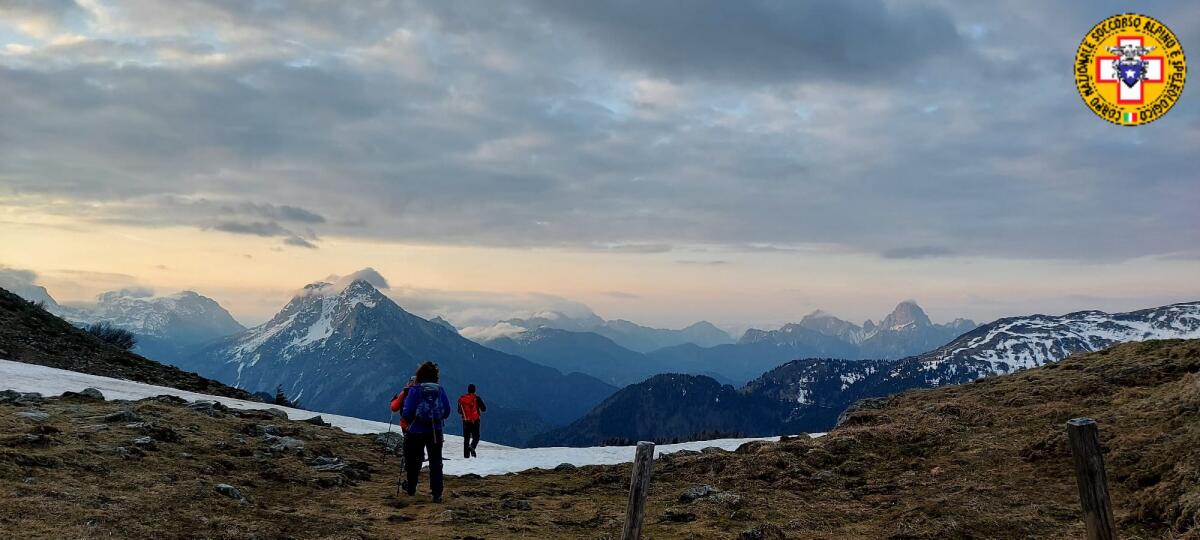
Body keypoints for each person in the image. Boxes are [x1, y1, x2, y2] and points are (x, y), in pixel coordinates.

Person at [400, 361, 451, 502]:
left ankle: (411, 487)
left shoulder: (415, 390)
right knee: (436, 461)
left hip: (415, 431)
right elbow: (446, 411)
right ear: (435, 376)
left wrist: (412, 421)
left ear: (419, 375)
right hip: (435, 431)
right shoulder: (440, 390)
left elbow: (407, 412)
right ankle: (437, 493)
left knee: (414, 460)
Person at [457, 384, 487, 458]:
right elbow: (484, 409)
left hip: (466, 421)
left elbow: (459, 411)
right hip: (475, 421)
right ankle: (472, 446)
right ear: (474, 390)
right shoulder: (477, 398)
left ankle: (466, 457)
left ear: (468, 390)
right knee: (476, 437)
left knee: (466, 439)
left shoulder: (462, 399)